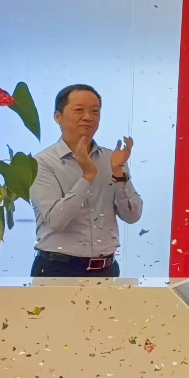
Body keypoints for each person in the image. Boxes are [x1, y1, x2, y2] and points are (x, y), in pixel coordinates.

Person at [28, 84, 141, 277]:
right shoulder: (41, 163)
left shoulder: (112, 159)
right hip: (57, 269)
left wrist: (119, 174)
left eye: (95, 111)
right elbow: (56, 221)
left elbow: (133, 216)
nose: (88, 117)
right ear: (58, 117)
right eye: (79, 110)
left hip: (107, 269)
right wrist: (88, 176)